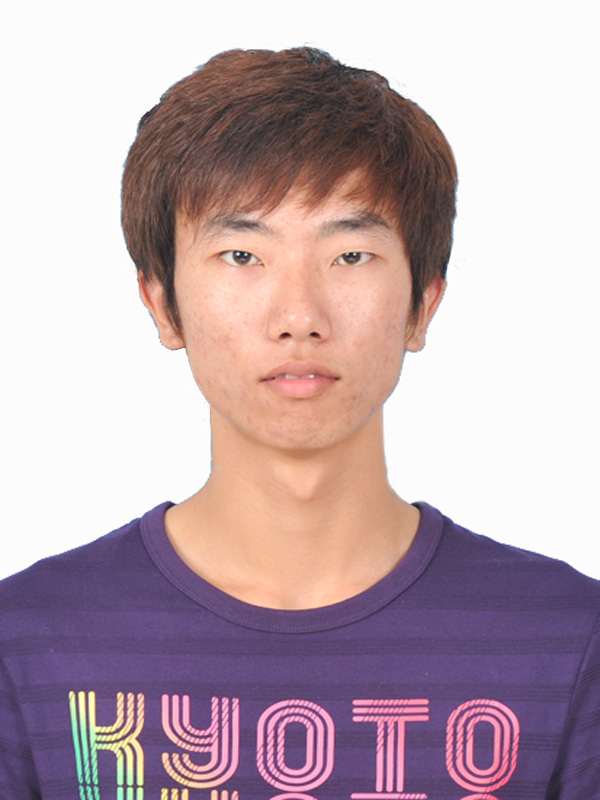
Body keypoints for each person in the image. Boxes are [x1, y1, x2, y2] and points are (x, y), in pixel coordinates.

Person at [1, 46, 598, 800]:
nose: (299, 316)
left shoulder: (569, 640)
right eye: (241, 254)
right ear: (162, 304)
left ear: (423, 305)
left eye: (350, 255)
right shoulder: (28, 642)